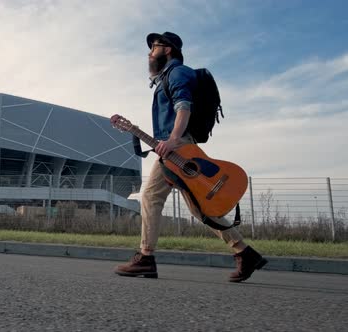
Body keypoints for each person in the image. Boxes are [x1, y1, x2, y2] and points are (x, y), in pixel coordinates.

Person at [113, 32, 267, 282]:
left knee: (152, 197)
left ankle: (146, 258)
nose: (150, 50)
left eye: (155, 46)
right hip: (174, 145)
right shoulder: (165, 76)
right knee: (200, 208)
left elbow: (184, 106)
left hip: (177, 146)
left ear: (169, 49)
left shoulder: (177, 73)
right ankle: (245, 253)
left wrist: (172, 140)